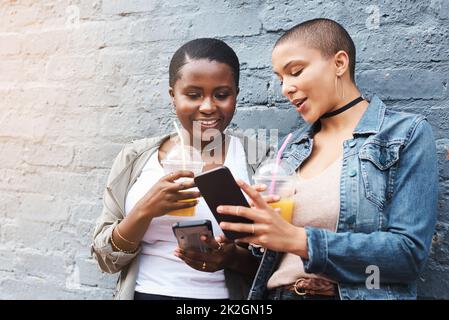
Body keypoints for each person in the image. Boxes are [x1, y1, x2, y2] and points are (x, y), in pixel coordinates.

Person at [215, 18, 438, 300]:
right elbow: (271, 254)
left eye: (295, 72)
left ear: (340, 63)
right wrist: (251, 231)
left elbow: (408, 256)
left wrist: (300, 240)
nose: (286, 88)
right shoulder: (290, 147)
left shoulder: (405, 134)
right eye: (281, 79)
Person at [91, 38, 272, 300]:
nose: (208, 107)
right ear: (172, 95)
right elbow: (104, 258)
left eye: (222, 95)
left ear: (236, 94)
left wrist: (231, 258)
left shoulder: (257, 159)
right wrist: (144, 210)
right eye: (193, 94)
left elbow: (279, 263)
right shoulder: (136, 157)